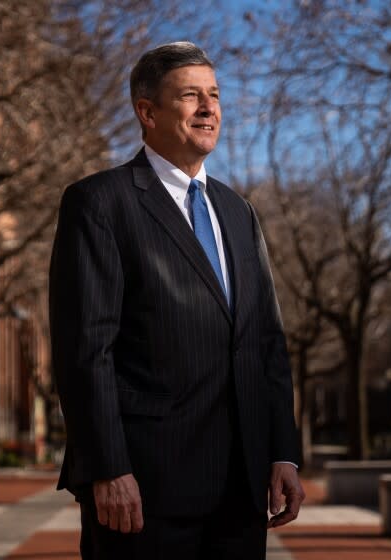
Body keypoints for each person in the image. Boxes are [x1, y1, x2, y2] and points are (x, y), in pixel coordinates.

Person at [49, 41, 304, 559]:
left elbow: (265, 343)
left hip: (240, 490)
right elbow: (85, 354)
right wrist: (108, 467)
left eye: (214, 95)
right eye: (191, 96)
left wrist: (283, 452)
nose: (210, 108)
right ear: (147, 112)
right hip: (144, 490)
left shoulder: (239, 211)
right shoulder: (99, 203)